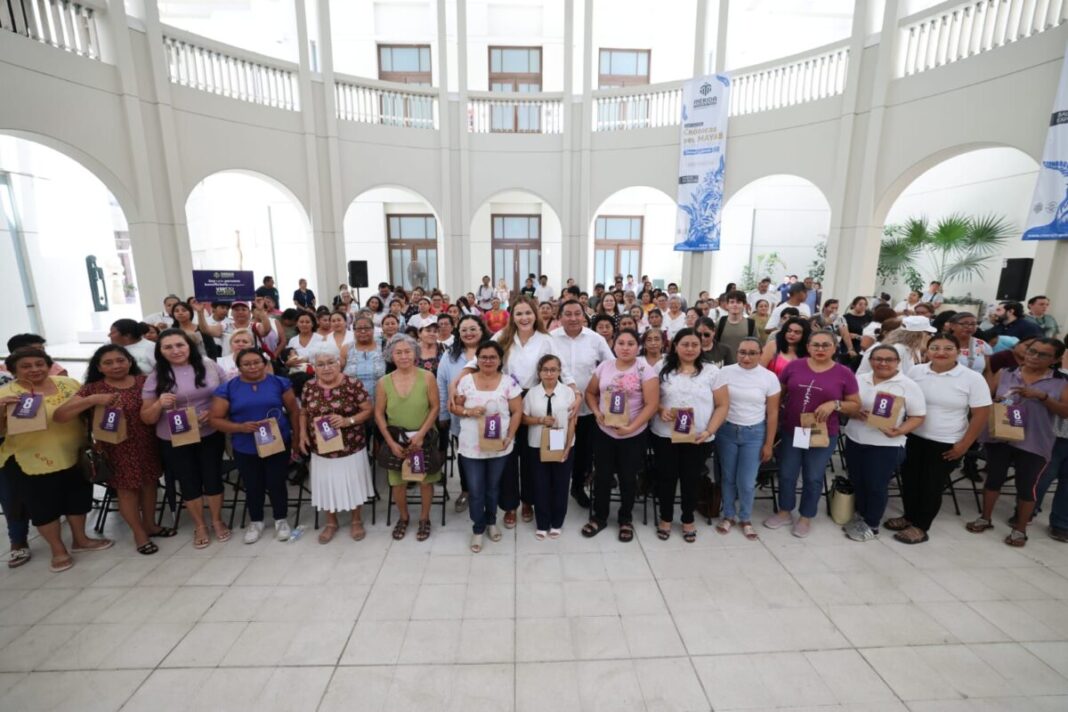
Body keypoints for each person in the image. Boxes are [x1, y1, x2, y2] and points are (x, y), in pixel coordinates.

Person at [0, 349, 113, 572]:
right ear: (13, 370)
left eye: (39, 364)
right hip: (31, 460)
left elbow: (86, 413)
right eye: (26, 366)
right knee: (43, 507)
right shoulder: (7, 394)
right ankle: (57, 549)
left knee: (78, 499)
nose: (34, 369)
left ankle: (81, 540)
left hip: (75, 453)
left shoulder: (68, 384)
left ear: (48, 365)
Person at [55, 344, 173, 554]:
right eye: (108, 363)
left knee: (150, 484)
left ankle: (151, 525)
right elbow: (60, 416)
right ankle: (139, 534)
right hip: (115, 448)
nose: (116, 366)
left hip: (147, 443)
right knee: (127, 491)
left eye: (120, 360)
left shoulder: (144, 381)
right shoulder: (92, 389)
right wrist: (92, 400)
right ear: (99, 367)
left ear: (129, 361)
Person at [885, 335, 992, 544]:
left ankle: (921, 526)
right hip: (913, 436)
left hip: (947, 441)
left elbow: (981, 414)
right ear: (927, 351)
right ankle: (909, 517)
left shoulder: (972, 378)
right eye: (935, 347)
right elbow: (901, 397)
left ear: (958, 351)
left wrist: (964, 445)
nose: (941, 352)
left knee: (931, 485)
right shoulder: (916, 371)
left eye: (948, 348)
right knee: (910, 481)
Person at [966, 338, 1068, 546]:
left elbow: (1065, 412)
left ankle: (1020, 529)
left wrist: (1043, 397)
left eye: (1043, 354)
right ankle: (985, 518)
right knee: (994, 478)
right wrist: (996, 402)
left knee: (1027, 486)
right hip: (1001, 435)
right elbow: (986, 398)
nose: (1034, 357)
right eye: (1032, 351)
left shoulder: (1061, 382)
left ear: (1056, 359)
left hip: (1035, 441)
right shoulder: (1006, 372)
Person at [764, 329, 861, 538]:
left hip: (822, 433)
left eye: (826, 345)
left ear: (834, 348)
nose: (820, 349)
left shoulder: (844, 373)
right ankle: (784, 511)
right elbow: (778, 394)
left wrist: (835, 404)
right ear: (808, 347)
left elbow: (855, 405)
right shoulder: (794, 366)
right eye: (815, 344)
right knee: (787, 473)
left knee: (813, 476)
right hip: (792, 430)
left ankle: (806, 516)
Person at [141, 329, 228, 549]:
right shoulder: (156, 376)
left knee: (213, 477)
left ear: (189, 345)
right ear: (160, 351)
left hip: (209, 432)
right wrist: (159, 404)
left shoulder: (209, 365)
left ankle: (217, 520)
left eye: (180, 345)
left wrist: (215, 411)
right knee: (188, 481)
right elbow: (146, 417)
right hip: (174, 437)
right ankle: (200, 525)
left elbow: (228, 393)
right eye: (168, 347)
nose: (175, 351)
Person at [210, 348, 300, 544]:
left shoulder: (279, 383)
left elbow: (294, 411)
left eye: (256, 362)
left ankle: (281, 519)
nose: (252, 367)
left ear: (264, 363)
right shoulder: (228, 388)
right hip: (245, 444)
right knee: (252, 484)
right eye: (246, 364)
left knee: (277, 482)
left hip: (277, 442)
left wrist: (296, 438)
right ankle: (256, 521)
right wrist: (240, 427)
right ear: (238, 367)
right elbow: (215, 419)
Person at [841, 345, 927, 542]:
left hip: (886, 445)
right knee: (858, 480)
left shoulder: (907, 385)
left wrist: (900, 430)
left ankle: (872, 524)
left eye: (889, 359)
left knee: (875, 484)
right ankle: (861, 515)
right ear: (870, 361)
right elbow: (846, 405)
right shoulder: (859, 379)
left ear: (898, 362)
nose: (883, 363)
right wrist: (854, 412)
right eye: (878, 359)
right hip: (855, 438)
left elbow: (918, 416)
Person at [582, 329, 659, 542]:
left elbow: (652, 405)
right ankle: (599, 517)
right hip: (605, 432)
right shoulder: (604, 367)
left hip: (633, 434)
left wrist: (632, 427)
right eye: (621, 343)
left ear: (638, 346)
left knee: (628, 477)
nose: (625, 348)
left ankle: (625, 518)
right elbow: (590, 393)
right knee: (602, 475)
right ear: (613, 345)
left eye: (630, 343)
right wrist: (596, 412)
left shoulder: (645, 370)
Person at [652, 328, 728, 542]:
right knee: (666, 477)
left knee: (691, 479)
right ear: (675, 346)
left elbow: (722, 405)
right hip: (665, 435)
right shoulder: (661, 367)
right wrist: (660, 409)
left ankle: (688, 519)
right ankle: (666, 518)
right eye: (685, 344)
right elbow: (649, 398)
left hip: (698, 437)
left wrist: (709, 430)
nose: (690, 349)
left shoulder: (712, 371)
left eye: (695, 344)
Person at [450, 341, 523, 551]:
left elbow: (517, 411)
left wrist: (510, 436)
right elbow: (455, 407)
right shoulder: (466, 382)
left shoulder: (509, 383)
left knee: (492, 488)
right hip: (471, 446)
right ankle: (478, 528)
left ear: (500, 360)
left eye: (493, 357)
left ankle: (491, 521)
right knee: (476, 490)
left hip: (499, 446)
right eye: (483, 357)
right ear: (477, 359)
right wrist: (468, 412)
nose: (488, 361)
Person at [297, 347, 374, 543]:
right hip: (321, 448)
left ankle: (356, 520)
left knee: (353, 482)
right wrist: (302, 434)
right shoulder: (309, 386)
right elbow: (303, 412)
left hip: (351, 446)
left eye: (331, 362)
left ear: (339, 363)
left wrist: (348, 421)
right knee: (325, 484)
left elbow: (368, 410)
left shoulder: (352, 384)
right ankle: (331, 523)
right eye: (320, 364)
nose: (326, 368)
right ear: (314, 368)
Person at [375, 335, 441, 542]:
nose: (403, 356)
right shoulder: (384, 382)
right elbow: (379, 413)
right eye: (398, 352)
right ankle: (403, 518)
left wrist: (420, 435)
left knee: (425, 482)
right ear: (391, 355)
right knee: (398, 483)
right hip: (397, 439)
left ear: (415, 354)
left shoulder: (427, 377)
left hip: (423, 437)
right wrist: (390, 442)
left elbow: (435, 407)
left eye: (407, 351)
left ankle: (424, 518)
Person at [550, 301, 615, 509]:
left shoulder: (595, 339)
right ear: (560, 317)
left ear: (584, 316)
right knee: (556, 447)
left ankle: (577, 487)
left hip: (587, 407)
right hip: (557, 408)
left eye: (577, 313)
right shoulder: (550, 339)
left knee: (583, 452)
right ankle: (555, 487)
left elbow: (611, 365)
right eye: (568, 314)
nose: (573, 318)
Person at [716, 338, 780, 541]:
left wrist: (769, 443)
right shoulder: (724, 372)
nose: (746, 357)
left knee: (746, 481)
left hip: (754, 434)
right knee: (728, 477)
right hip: (727, 431)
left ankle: (745, 517)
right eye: (742, 352)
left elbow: (772, 413)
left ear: (761, 354)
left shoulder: (769, 377)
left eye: (752, 353)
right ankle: (728, 515)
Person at [438, 315, 490, 514]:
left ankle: (488, 491)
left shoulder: (492, 350)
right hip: (460, 415)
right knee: (465, 454)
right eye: (464, 330)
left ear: (482, 330)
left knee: (490, 452)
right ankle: (466, 490)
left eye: (473, 329)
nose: (468, 333)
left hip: (490, 415)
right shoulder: (449, 355)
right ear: (458, 333)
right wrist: (444, 413)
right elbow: (442, 384)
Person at [523, 354, 578, 540]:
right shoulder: (532, 394)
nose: (549, 373)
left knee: (561, 484)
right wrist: (539, 420)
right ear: (539, 372)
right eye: (545, 370)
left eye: (553, 370)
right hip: (537, 445)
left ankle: (557, 522)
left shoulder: (568, 393)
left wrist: (568, 446)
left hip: (561, 444)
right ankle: (542, 523)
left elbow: (572, 421)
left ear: (559, 371)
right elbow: (523, 418)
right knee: (541, 484)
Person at [856, 315, 934, 374]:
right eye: (928, 333)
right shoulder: (896, 348)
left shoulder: (912, 348)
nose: (930, 336)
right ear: (918, 334)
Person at [344, 315, 386, 408]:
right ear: (354, 331)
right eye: (359, 329)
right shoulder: (346, 348)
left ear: (373, 329)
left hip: (381, 400)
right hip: (352, 401)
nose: (363, 331)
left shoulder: (383, 346)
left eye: (367, 328)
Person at [945, 312, 992, 376]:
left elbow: (988, 371)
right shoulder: (942, 343)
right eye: (964, 324)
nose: (969, 327)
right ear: (952, 326)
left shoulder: (982, 345)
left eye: (973, 324)